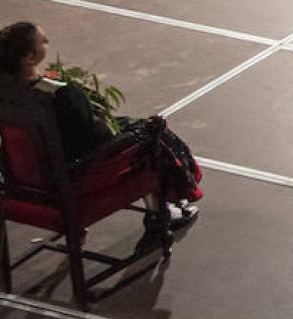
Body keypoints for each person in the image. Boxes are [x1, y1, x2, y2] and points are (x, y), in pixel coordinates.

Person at [0, 21, 202, 243]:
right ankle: (160, 213)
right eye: (43, 41)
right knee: (150, 136)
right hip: (73, 176)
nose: (48, 42)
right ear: (29, 58)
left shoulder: (8, 95)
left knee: (131, 127)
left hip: (27, 179)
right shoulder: (59, 95)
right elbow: (99, 136)